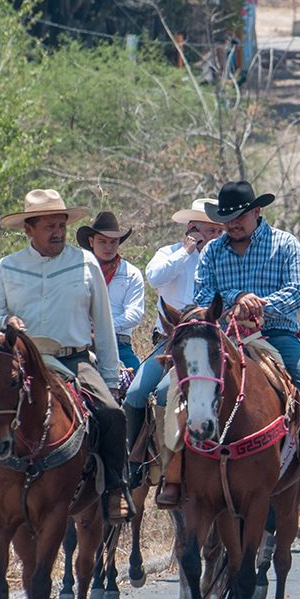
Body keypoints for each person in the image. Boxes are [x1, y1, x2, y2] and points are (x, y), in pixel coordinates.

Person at [0, 190, 134, 523]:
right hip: (19, 363)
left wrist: (111, 379)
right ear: (29, 229)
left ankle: (115, 489)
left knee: (112, 414)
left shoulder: (85, 262)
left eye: (61, 225)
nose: (58, 232)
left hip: (73, 360)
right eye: (49, 226)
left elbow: (103, 326)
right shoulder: (7, 267)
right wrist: (6, 323)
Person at [179, 181, 300, 512]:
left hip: (276, 335)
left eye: (239, 216)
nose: (233, 223)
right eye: (227, 218)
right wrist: (235, 299)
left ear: (256, 212)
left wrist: (258, 304)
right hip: (222, 340)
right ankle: (171, 476)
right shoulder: (211, 251)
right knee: (171, 391)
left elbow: (299, 290)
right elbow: (202, 295)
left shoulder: (285, 244)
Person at [122, 199, 223, 487]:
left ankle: (178, 459)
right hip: (169, 342)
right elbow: (155, 277)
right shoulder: (169, 254)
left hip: (207, 342)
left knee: (168, 393)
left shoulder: (220, 257)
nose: (217, 234)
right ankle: (137, 462)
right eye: (211, 229)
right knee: (137, 393)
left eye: (218, 229)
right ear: (193, 228)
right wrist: (188, 250)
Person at [75, 211, 144, 373]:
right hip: (81, 342)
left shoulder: (131, 273)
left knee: (137, 391)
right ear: (91, 241)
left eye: (113, 242)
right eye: (102, 241)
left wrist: (103, 326)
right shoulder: (78, 271)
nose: (108, 247)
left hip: (120, 344)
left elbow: (135, 314)